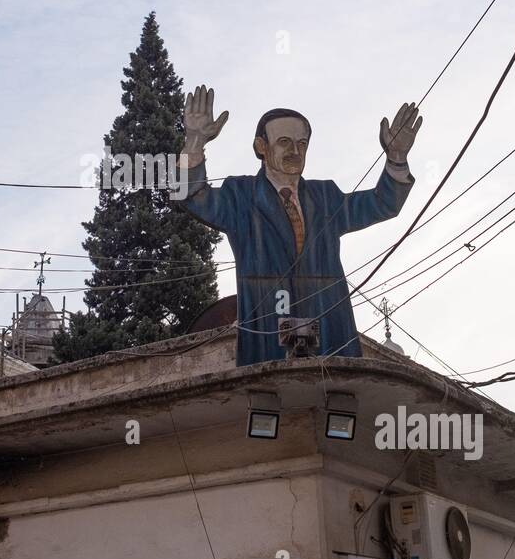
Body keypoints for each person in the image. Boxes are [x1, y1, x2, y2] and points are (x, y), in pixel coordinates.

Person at [180, 85, 422, 365]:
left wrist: (397, 159)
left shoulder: (326, 197)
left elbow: (382, 204)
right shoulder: (240, 195)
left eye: (302, 143)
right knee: (267, 400)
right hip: (267, 333)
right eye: (284, 141)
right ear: (261, 147)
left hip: (331, 333)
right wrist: (195, 142)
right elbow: (192, 196)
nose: (295, 151)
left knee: (339, 400)